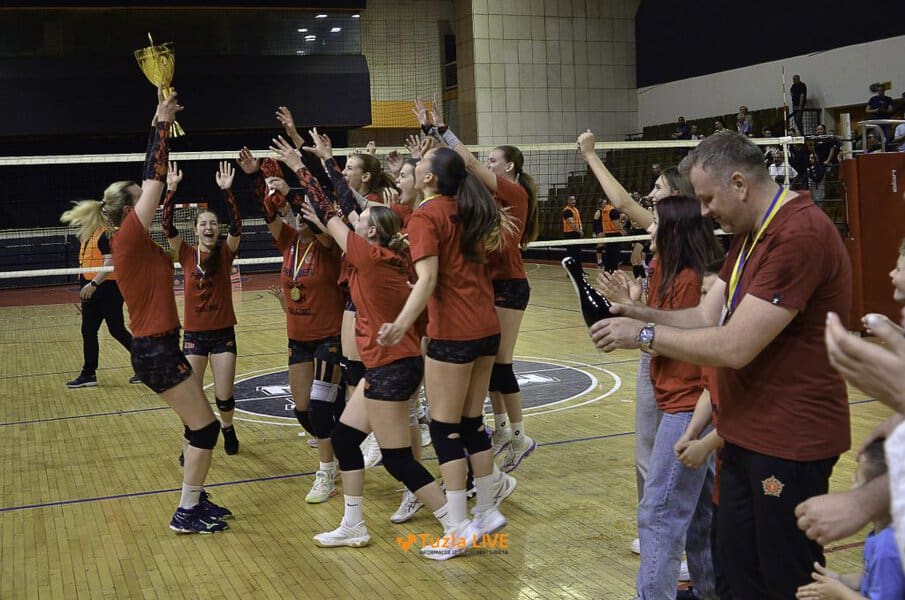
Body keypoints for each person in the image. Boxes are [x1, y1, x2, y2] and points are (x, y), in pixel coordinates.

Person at [590, 131, 852, 598]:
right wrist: (639, 313)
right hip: (745, 434)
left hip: (789, 439)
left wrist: (644, 335)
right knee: (732, 575)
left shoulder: (799, 235)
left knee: (784, 580)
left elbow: (734, 346)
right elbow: (704, 317)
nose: (705, 212)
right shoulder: (750, 236)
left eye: (709, 199)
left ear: (739, 184)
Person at [64, 90, 231, 533]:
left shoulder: (135, 239)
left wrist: (167, 185)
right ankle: (186, 511)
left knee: (196, 426)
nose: (148, 201)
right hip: (155, 350)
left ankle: (195, 499)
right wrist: (160, 122)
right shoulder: (129, 236)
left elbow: (155, 185)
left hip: (160, 346)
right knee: (205, 429)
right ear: (129, 209)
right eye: (141, 199)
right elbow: (153, 175)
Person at [377, 144, 516, 559]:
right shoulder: (468, 207)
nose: (414, 164)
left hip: (454, 332)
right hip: (486, 327)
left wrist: (401, 323)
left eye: (420, 163)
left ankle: (457, 527)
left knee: (444, 429)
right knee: (471, 423)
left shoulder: (427, 216)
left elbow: (429, 279)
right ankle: (486, 511)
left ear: (429, 178)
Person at [298, 196, 454, 550]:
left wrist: (298, 169)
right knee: (344, 440)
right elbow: (333, 222)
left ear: (371, 232)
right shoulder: (380, 258)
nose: (354, 220)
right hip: (387, 366)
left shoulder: (369, 257)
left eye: (362, 218)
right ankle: (353, 525)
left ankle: (455, 524)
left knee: (397, 459)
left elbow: (330, 213)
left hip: (392, 368)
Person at [578, 130, 700, 569]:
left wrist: (591, 155)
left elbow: (687, 321)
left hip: (678, 365)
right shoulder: (661, 238)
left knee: (674, 455)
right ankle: (658, 530)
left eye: (659, 189)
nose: (650, 196)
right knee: (648, 452)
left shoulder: (687, 252)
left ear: (678, 199)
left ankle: (672, 540)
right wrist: (635, 301)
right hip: (654, 356)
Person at [598, 195, 723, 599]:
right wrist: (633, 307)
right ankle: (711, 591)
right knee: (700, 518)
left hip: (688, 407)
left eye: (656, 222)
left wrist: (635, 330)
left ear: (675, 231)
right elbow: (663, 327)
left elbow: (681, 337)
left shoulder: (690, 278)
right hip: (681, 404)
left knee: (658, 514)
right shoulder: (667, 270)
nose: (649, 230)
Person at [419, 105, 540, 474]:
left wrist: (443, 131)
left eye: (494, 160)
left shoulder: (514, 193)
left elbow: (468, 163)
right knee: (486, 366)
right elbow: (458, 173)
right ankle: (500, 428)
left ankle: (518, 435)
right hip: (488, 284)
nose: (487, 163)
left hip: (510, 284)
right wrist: (428, 143)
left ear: (509, 167)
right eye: (488, 160)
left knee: (501, 363)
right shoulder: (479, 197)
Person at [238, 139, 344, 504]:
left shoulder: (329, 245)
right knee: (303, 409)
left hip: (329, 336)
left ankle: (326, 472)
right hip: (298, 338)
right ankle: (340, 452)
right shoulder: (289, 243)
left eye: (301, 214)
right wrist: (256, 178)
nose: (294, 218)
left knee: (321, 407)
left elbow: (308, 211)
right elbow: (268, 211)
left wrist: (291, 191)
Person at [162, 160, 242, 457]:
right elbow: (167, 225)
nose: (209, 227)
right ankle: (190, 441)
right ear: (195, 230)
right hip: (194, 335)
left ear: (217, 229)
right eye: (203, 224)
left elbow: (237, 224)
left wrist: (228, 192)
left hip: (223, 335)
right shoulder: (185, 253)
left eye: (213, 223)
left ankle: (228, 427)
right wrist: (171, 189)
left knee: (224, 396)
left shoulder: (225, 252)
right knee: (191, 397)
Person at [795, 438, 905, 600]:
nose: (852, 481)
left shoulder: (887, 547)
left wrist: (839, 592)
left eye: (858, 479)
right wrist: (840, 579)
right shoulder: (882, 534)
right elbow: (873, 578)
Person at [60, 205, 140, 389]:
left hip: (106, 289)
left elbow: (110, 263)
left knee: (117, 330)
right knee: (88, 331)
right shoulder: (88, 235)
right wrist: (85, 282)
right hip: (90, 290)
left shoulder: (106, 235)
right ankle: (88, 374)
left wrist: (93, 284)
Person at [562, 194, 583, 262]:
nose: (574, 201)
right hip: (570, 234)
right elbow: (572, 224)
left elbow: (579, 221)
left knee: (578, 252)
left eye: (574, 199)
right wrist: (579, 231)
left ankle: (578, 268)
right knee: (572, 253)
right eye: (571, 200)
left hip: (576, 233)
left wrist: (580, 229)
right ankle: (571, 268)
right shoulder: (567, 211)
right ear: (567, 201)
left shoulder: (575, 209)